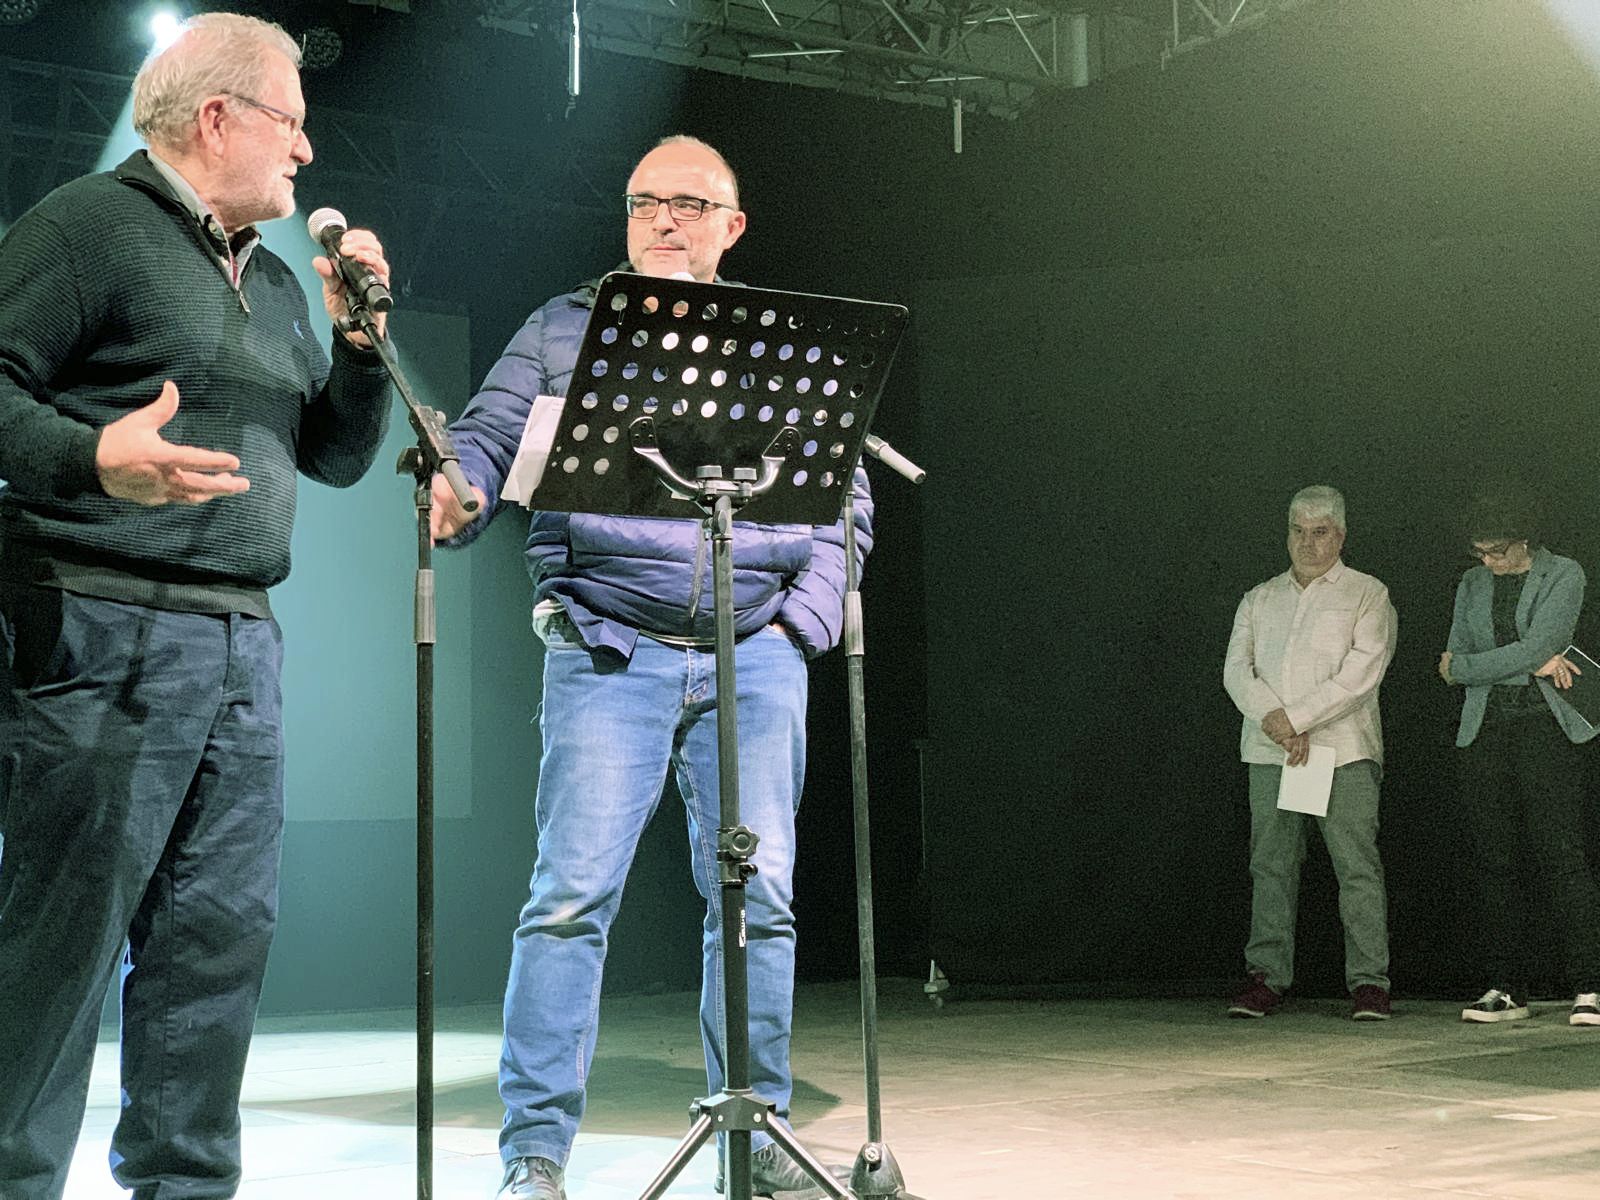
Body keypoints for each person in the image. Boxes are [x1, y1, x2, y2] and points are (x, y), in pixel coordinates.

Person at [0, 14, 394, 1199]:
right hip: (97, 624)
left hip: (241, 645)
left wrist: (361, 349)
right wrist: (89, 458)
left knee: (212, 948)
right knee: (59, 952)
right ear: (215, 117)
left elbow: (328, 456)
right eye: (292, 121)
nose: (307, 153)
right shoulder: (85, 226)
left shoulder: (274, 281)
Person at [431, 135, 868, 1200]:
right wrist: (460, 491)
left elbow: (847, 499)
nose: (662, 221)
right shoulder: (562, 326)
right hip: (607, 648)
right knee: (571, 900)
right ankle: (534, 1158)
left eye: (687, 203)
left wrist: (796, 627)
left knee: (759, 901)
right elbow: (484, 439)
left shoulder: (780, 343)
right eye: (642, 203)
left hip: (752, 655)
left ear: (732, 225)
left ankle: (753, 1138)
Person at [1222, 485, 1398, 1021]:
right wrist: (1277, 723)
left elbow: (1361, 674)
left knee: (1356, 868)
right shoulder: (1260, 597)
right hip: (1271, 752)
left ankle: (1370, 983)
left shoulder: (1368, 594)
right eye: (1298, 531)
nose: (1307, 542)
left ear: (1340, 536)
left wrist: (1294, 720)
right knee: (1271, 865)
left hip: (1341, 752)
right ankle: (1267, 978)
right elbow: (1236, 671)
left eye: (1319, 532)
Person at [1439, 497, 1600, 1026]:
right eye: (1479, 551)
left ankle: (1589, 987)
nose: (1488, 561)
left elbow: (1542, 646)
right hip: (1485, 731)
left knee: (1562, 856)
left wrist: (1493, 664)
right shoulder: (1471, 583)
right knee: (1495, 860)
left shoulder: (1564, 573)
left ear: (1524, 539)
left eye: (1498, 551)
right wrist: (1524, 663)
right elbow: (1452, 663)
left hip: (1547, 731)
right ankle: (1506, 987)